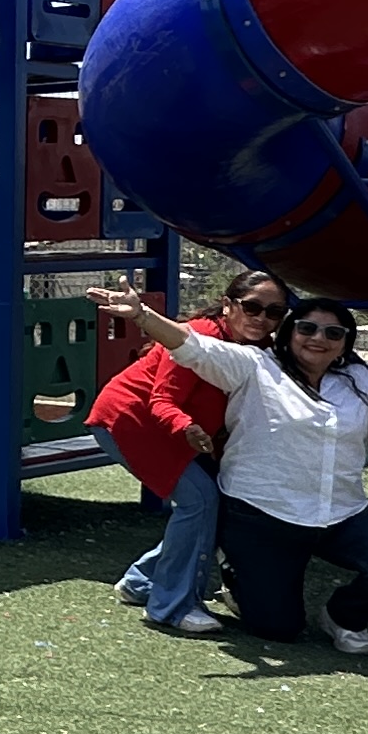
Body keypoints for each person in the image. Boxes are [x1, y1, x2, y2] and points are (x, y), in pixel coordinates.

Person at [91, 288, 368, 652]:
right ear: (289, 333)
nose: (318, 338)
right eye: (307, 328)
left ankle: (343, 616)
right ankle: (235, 569)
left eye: (333, 333)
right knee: (278, 629)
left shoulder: (360, 379)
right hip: (263, 515)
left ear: (344, 344)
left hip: (340, 513)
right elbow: (193, 347)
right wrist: (142, 315)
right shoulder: (254, 366)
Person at [88, 269, 283, 637]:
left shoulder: (265, 350)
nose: (261, 319)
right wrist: (187, 428)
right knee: (201, 500)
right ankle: (172, 607)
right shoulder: (199, 335)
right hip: (132, 422)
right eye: (252, 307)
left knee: (215, 501)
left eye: (274, 312)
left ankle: (142, 581)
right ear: (228, 305)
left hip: (183, 433)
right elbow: (162, 400)